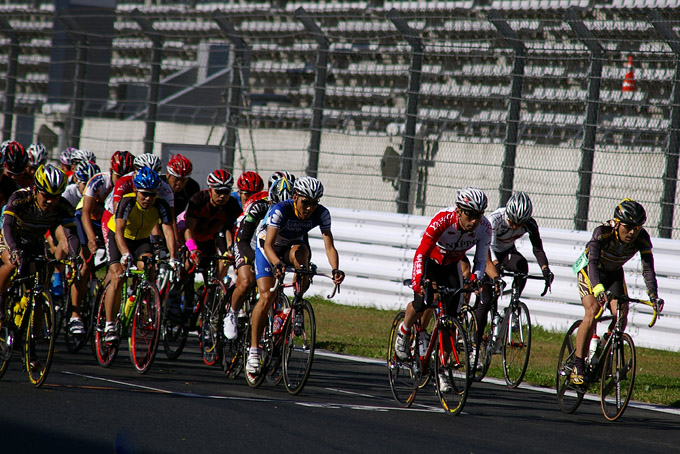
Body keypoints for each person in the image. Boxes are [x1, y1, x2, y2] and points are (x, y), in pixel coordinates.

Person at [393, 187, 493, 391]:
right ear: (458, 211)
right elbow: (422, 251)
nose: (474, 221)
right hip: (431, 260)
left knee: (450, 320)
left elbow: (481, 259)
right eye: (470, 215)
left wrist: (476, 278)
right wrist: (419, 279)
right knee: (424, 302)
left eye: (479, 215)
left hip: (452, 265)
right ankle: (404, 332)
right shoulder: (443, 219)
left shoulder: (484, 227)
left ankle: (442, 370)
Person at [246, 176, 345, 377]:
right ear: (295, 197)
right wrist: (276, 264)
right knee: (266, 297)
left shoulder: (322, 214)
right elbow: (267, 245)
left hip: (292, 246)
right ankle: (254, 350)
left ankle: (296, 305)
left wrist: (336, 269)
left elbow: (329, 245)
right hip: (268, 247)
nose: (309, 209)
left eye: (314, 204)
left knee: (303, 259)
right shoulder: (280, 210)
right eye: (305, 203)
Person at [570, 199, 664, 385]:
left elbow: (648, 270)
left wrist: (653, 295)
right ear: (618, 223)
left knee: (621, 314)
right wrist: (598, 289)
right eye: (628, 227)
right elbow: (593, 264)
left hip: (613, 274)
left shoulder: (642, 238)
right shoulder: (602, 233)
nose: (632, 232)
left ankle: (603, 350)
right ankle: (577, 364)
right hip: (590, 271)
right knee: (593, 311)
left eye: (637, 228)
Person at [0, 165, 80, 349]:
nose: (51, 201)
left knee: (37, 291)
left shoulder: (62, 206)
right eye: (47, 196)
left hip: (34, 242)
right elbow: (7, 226)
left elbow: (72, 235)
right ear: (36, 189)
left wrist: (75, 257)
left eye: (56, 196)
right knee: (13, 264)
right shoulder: (20, 198)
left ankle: (31, 342)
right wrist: (13, 249)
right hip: (10, 237)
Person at [103, 167, 179, 344]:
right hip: (119, 238)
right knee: (118, 274)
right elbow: (119, 231)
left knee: (149, 267)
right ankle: (109, 324)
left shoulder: (161, 205)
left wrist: (174, 257)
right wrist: (125, 254)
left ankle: (141, 303)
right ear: (136, 190)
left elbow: (168, 232)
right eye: (144, 194)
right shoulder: (126, 202)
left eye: (152, 195)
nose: (148, 199)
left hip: (141, 240)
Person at [478, 191, 553, 350]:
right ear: (508, 214)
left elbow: (538, 248)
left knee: (521, 266)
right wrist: (496, 268)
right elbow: (488, 247)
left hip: (507, 252)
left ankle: (513, 306)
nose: (515, 227)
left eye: (520, 224)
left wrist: (545, 269)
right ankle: (475, 344)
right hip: (489, 254)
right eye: (512, 223)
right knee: (485, 302)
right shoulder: (495, 220)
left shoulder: (530, 224)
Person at [223, 176, 292, 340]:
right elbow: (243, 238)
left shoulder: (295, 212)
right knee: (247, 280)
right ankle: (231, 313)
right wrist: (252, 260)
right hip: (249, 243)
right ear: (270, 200)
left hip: (272, 247)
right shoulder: (258, 206)